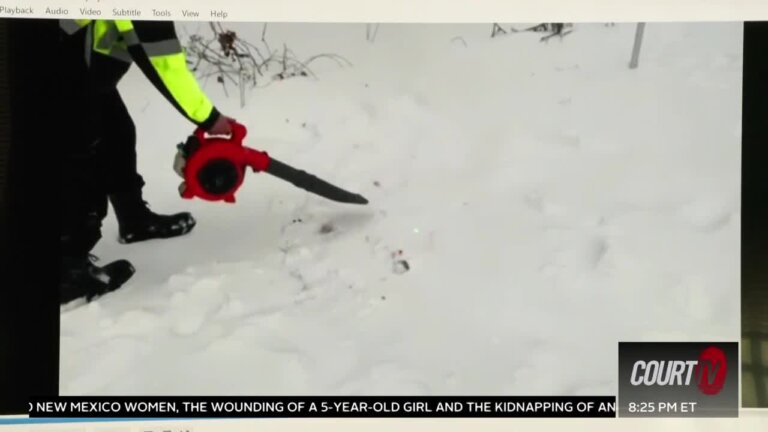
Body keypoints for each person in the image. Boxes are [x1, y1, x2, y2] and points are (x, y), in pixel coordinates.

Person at [58, 19, 235, 305]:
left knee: (116, 131)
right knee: (78, 151)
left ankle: (134, 220)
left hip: (81, 64)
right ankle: (68, 270)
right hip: (58, 60)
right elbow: (163, 62)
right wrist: (209, 118)